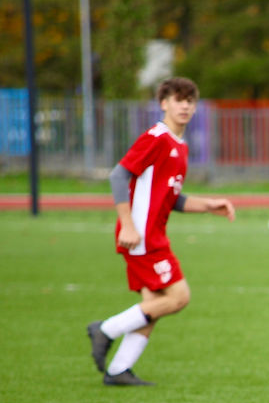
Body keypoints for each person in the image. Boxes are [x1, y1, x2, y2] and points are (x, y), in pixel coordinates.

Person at [87, 77, 235, 386]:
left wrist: (209, 205)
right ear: (163, 103)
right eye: (178, 99)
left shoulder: (179, 146)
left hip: (152, 235)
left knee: (152, 303)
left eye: (190, 101)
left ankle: (118, 370)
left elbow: (171, 199)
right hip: (140, 236)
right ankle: (105, 330)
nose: (184, 105)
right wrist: (127, 224)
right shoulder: (156, 137)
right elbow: (118, 175)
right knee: (179, 297)